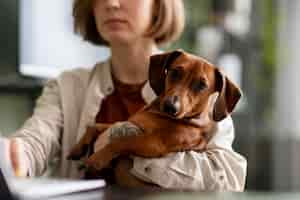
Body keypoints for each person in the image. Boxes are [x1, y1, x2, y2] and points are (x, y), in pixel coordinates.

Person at [5, 0, 247, 191]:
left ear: (158, 4)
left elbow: (229, 180)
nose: (111, 3)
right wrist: (14, 154)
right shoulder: (66, 86)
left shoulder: (207, 103)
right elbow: (34, 143)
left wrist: (125, 149)